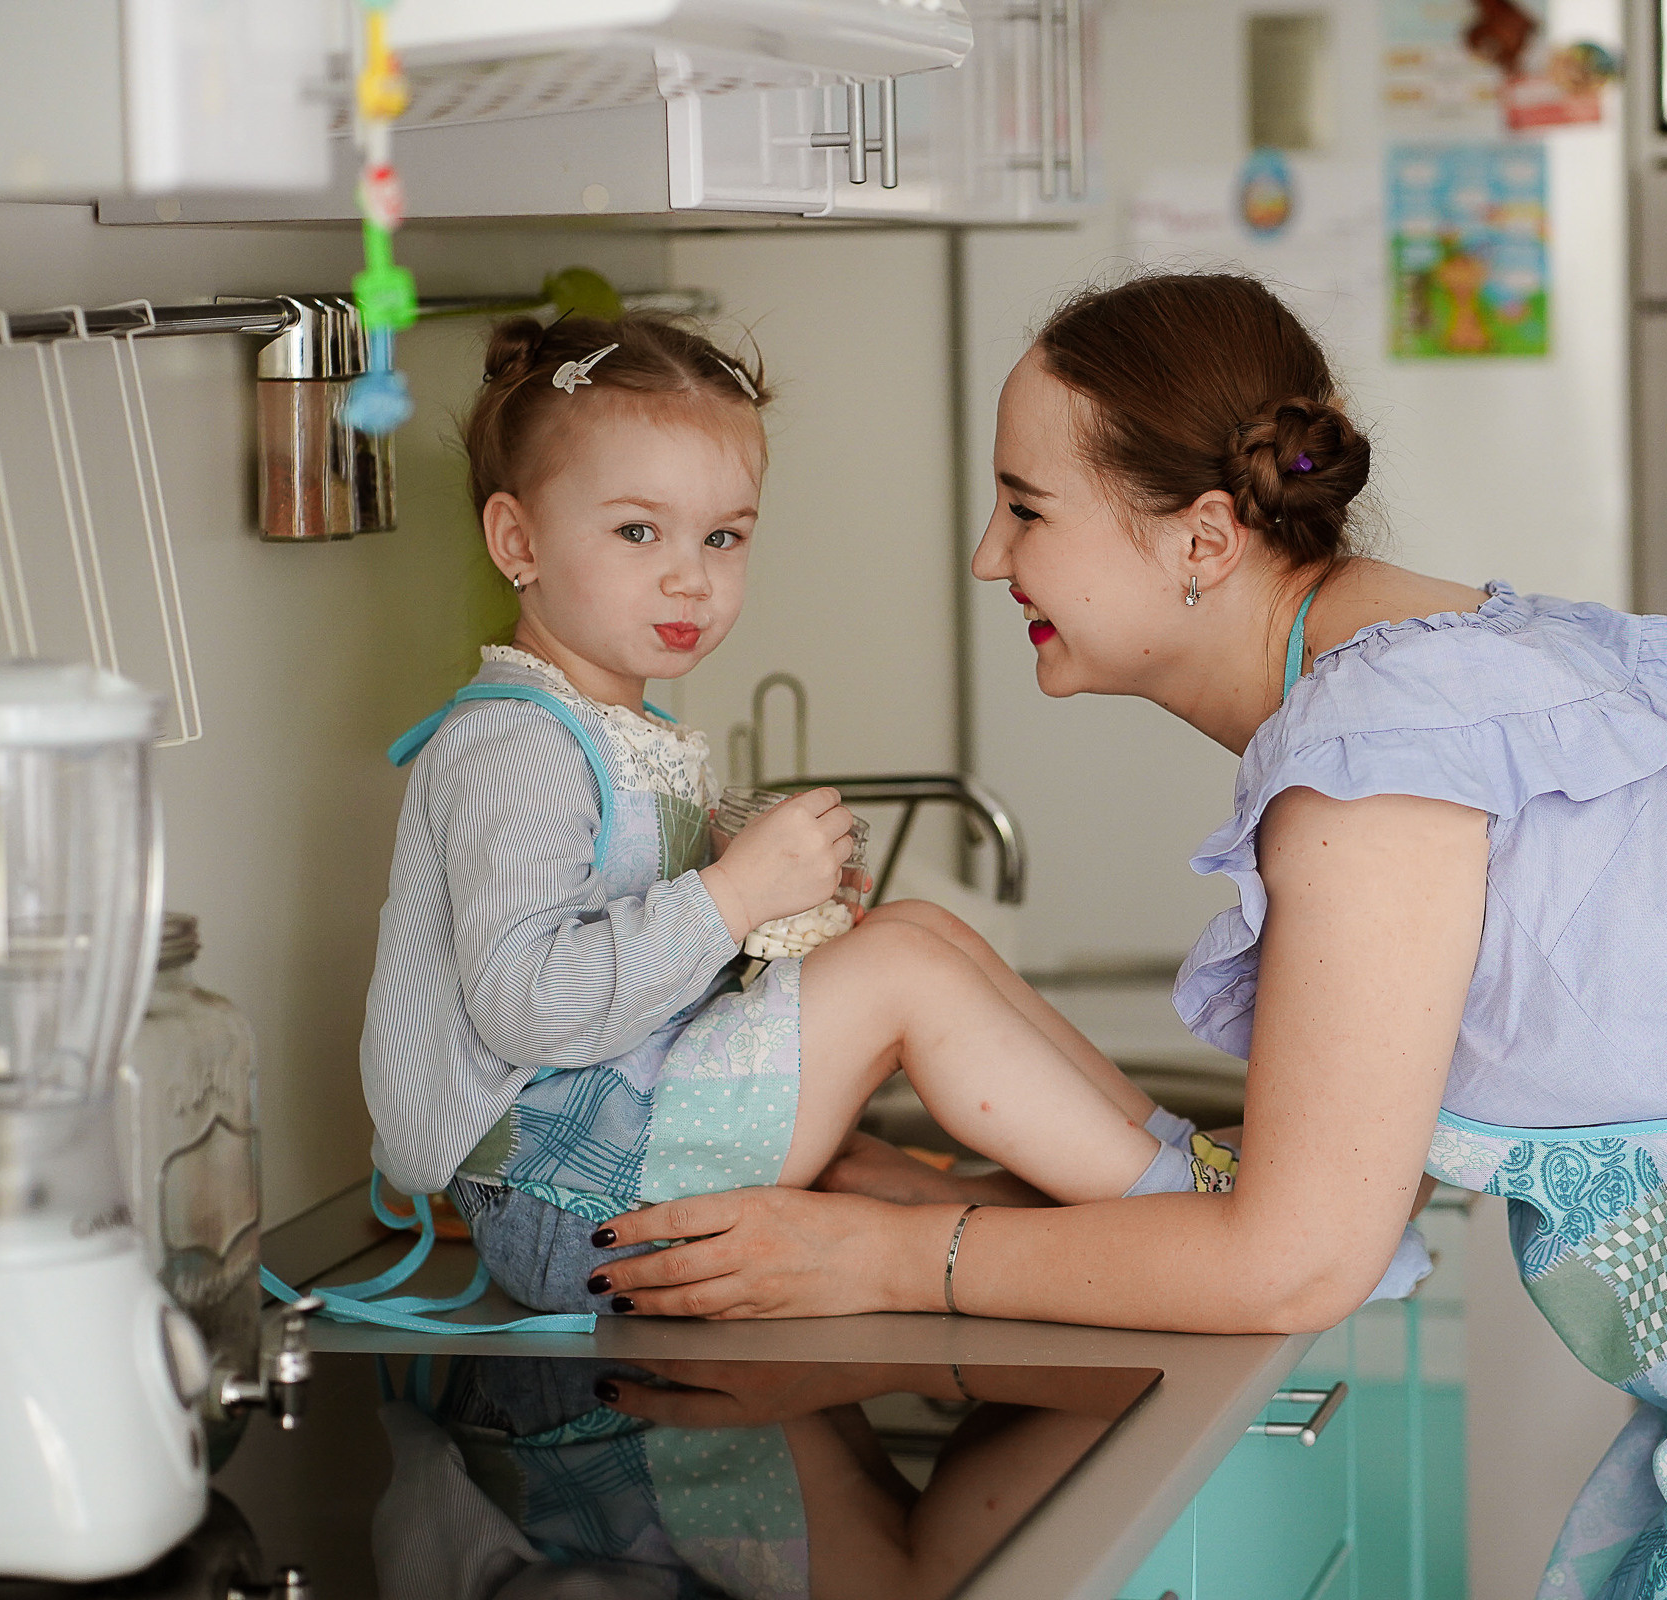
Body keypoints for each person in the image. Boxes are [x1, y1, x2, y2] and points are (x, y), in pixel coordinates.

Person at [591, 274, 1667, 1597]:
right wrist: (965, 1199)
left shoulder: (1373, 769)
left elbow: (1295, 1255)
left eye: (1025, 505)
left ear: (1203, 537)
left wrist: (889, 1263)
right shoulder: (1447, 668)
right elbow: (1336, 1158)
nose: (989, 555)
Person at [358, 312, 1315, 1318]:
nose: (692, 574)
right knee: (903, 969)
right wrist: (730, 897)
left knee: (918, 933)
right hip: (576, 1204)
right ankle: (1189, 1213)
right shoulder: (509, 746)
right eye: (639, 531)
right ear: (518, 539)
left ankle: (1188, 1170)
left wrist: (757, 901)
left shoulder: (604, 726)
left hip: (619, 1156)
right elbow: (529, 1005)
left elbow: (617, 951)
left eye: (724, 536)